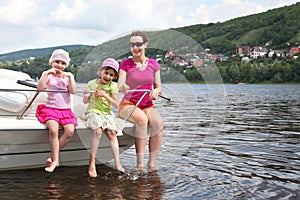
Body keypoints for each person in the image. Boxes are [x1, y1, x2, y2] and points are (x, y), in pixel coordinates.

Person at [118, 31, 164, 171]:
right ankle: (140, 164)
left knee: (158, 123)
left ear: (145, 44)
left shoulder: (154, 64)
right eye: (132, 45)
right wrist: (122, 86)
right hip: (128, 104)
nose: (135, 48)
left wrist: (156, 91)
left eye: (138, 44)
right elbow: (120, 83)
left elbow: (158, 86)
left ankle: (152, 163)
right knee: (142, 120)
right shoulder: (126, 64)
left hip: (147, 105)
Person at [82, 58, 124, 177]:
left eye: (111, 75)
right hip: (93, 111)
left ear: (114, 76)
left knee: (112, 133)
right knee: (98, 131)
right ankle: (92, 163)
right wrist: (86, 95)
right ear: (101, 72)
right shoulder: (92, 83)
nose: (108, 77)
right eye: (106, 73)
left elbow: (116, 104)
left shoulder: (113, 86)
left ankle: (117, 162)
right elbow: (85, 101)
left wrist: (105, 95)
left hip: (106, 113)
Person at [36, 49, 77, 173]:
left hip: (65, 110)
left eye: (63, 63)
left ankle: (52, 156)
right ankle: (56, 161)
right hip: (51, 109)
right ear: (52, 62)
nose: (60, 65)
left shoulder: (67, 77)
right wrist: (46, 73)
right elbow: (40, 88)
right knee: (53, 130)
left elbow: (73, 91)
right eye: (57, 62)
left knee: (69, 131)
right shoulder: (49, 76)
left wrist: (71, 76)